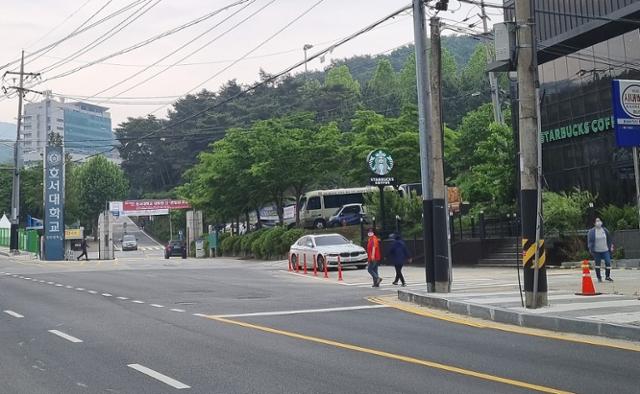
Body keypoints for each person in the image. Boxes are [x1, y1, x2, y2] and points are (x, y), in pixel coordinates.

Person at [587, 217, 613, 283]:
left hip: (605, 250)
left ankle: (607, 276)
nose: (599, 222)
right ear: (594, 223)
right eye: (597, 221)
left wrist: (611, 246)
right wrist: (591, 248)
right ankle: (599, 277)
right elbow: (590, 241)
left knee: (608, 262)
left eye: (599, 221)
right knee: (597, 264)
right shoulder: (591, 232)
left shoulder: (605, 230)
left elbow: (609, 239)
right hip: (597, 251)